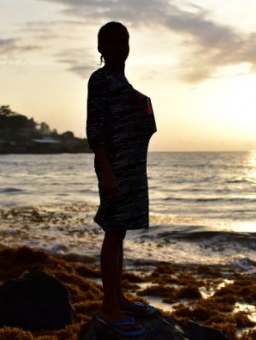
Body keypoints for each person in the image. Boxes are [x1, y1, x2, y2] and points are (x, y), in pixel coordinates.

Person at [86, 21, 158, 337]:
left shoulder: (122, 82)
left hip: (131, 168)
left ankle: (119, 297)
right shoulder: (100, 80)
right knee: (113, 233)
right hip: (114, 168)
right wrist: (107, 172)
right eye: (112, 43)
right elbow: (95, 130)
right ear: (101, 48)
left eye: (124, 42)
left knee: (121, 233)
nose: (119, 48)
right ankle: (108, 308)